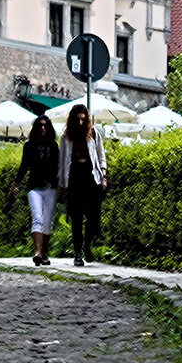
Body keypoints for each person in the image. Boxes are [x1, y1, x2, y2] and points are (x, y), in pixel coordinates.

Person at [58, 103, 107, 267]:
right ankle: (78, 253)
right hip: (73, 178)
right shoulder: (66, 137)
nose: (80, 123)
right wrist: (61, 184)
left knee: (94, 216)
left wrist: (104, 176)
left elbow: (101, 156)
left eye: (83, 119)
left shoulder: (93, 134)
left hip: (90, 176)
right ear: (72, 120)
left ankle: (87, 243)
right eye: (77, 119)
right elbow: (62, 161)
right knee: (76, 217)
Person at [9, 115, 59, 266]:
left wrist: (61, 186)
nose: (42, 128)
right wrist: (16, 183)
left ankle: (44, 253)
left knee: (47, 221)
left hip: (51, 187)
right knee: (37, 217)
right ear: (36, 128)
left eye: (45, 126)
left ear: (48, 128)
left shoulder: (54, 146)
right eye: (39, 125)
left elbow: (58, 167)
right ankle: (37, 252)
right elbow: (24, 166)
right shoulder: (29, 146)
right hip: (34, 187)